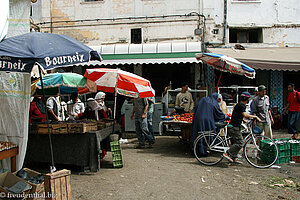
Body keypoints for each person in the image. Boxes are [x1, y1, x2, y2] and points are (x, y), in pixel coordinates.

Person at [223, 92, 261, 163]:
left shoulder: (239, 104)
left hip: (235, 126)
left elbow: (238, 114)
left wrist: (244, 120)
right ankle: (227, 153)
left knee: (235, 142)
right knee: (240, 143)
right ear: (247, 99)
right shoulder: (241, 105)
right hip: (234, 127)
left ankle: (234, 158)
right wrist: (255, 116)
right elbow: (245, 114)